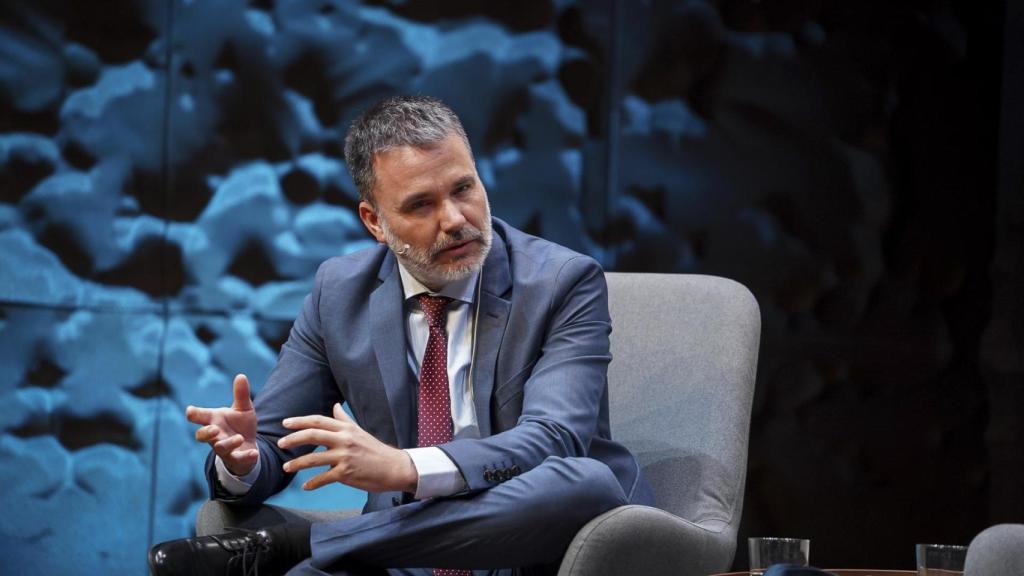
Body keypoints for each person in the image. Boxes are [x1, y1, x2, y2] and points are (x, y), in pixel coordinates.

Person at [148, 95, 653, 576]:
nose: (456, 220)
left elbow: (554, 439)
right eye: (421, 205)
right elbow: (278, 442)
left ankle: (307, 546)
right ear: (375, 222)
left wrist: (405, 468)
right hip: (402, 560)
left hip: (531, 545)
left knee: (585, 483)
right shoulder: (338, 293)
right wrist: (243, 460)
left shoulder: (563, 281)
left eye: (463, 189)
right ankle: (324, 553)